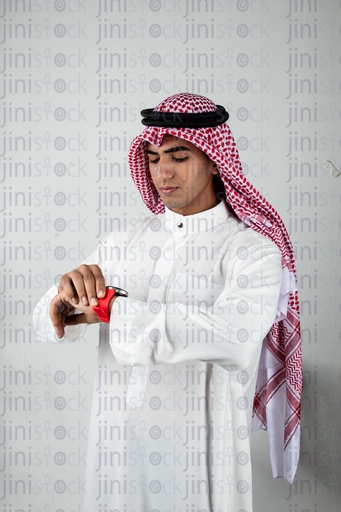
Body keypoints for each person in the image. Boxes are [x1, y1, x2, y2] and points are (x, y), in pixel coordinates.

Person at [33, 93, 302, 512]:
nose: (163, 171)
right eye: (155, 158)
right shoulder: (122, 241)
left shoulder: (252, 250)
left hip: (199, 460)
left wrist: (112, 308)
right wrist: (65, 299)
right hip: (115, 453)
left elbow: (233, 339)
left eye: (178, 156)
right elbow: (44, 318)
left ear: (215, 159)